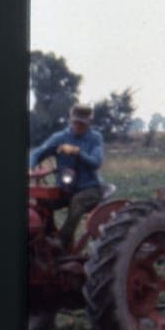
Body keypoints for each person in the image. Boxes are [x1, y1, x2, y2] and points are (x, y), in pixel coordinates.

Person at [29, 103, 105, 250]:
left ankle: (62, 240)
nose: (77, 126)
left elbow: (96, 163)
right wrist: (30, 166)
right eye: (75, 122)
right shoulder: (60, 138)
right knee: (43, 202)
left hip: (90, 188)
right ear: (70, 120)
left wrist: (77, 152)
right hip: (66, 188)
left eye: (82, 124)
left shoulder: (95, 138)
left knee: (77, 202)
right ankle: (47, 234)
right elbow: (37, 153)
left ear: (88, 123)